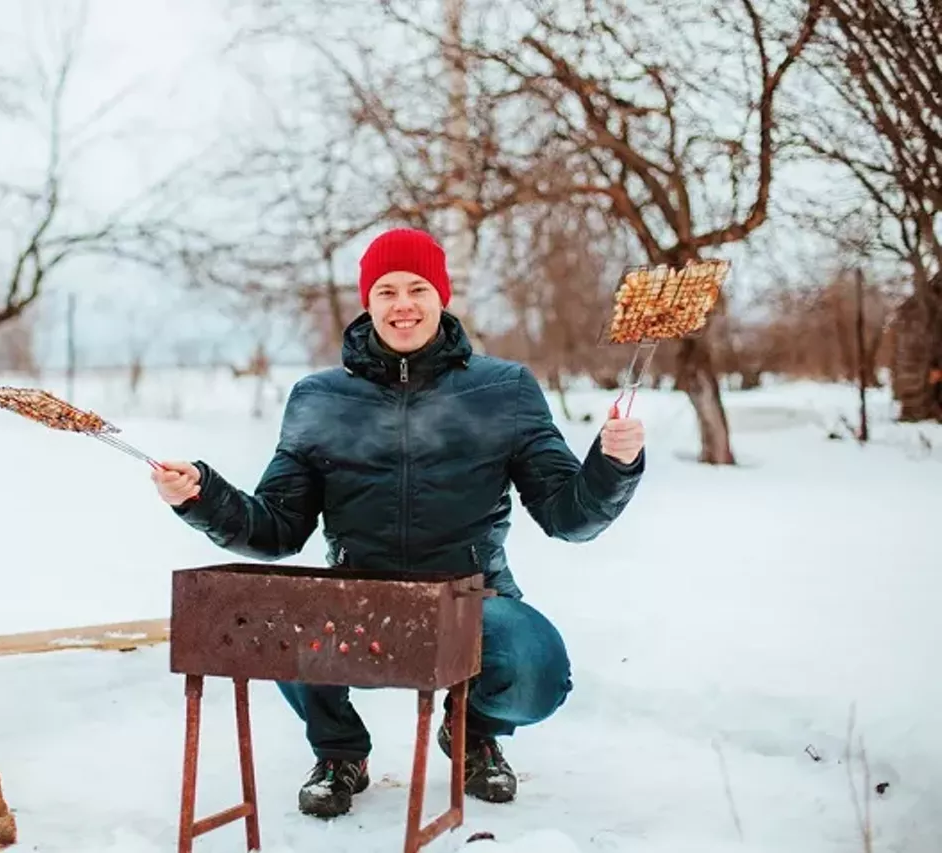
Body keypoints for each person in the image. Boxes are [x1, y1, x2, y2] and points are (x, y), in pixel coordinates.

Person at [152, 228, 646, 819]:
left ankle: (472, 733)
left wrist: (613, 465)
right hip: (360, 590)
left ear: (442, 295)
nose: (402, 304)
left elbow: (570, 517)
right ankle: (339, 752)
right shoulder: (319, 399)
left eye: (417, 287)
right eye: (386, 291)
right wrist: (203, 496)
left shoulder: (504, 390)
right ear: (369, 302)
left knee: (537, 672)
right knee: (277, 617)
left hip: (471, 594)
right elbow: (276, 528)